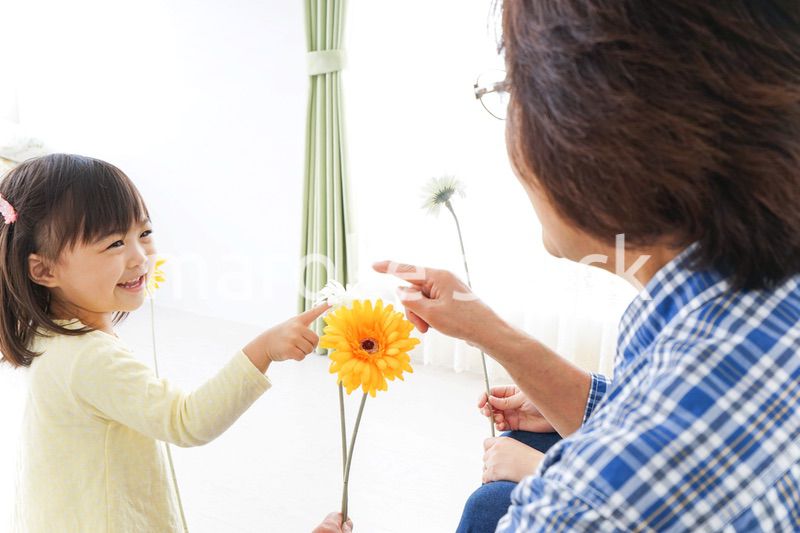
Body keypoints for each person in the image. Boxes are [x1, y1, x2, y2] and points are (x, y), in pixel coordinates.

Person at [375, 1, 800, 531]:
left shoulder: (581, 512)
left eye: (511, 92)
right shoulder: (746, 289)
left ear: (591, 127)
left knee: (491, 502)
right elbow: (648, 413)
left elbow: (633, 466)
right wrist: (487, 331)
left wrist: (546, 474)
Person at [0, 154, 344, 532]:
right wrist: (262, 349)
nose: (140, 257)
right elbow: (187, 421)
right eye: (114, 243)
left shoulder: (49, 337)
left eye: (143, 234)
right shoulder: (90, 358)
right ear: (44, 270)